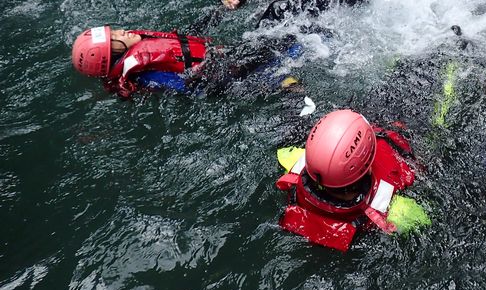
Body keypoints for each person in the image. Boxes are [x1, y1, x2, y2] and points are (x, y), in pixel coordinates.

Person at [276, 109, 430, 251]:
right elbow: (426, 221)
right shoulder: (398, 212)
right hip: (402, 131)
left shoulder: (291, 160)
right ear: (367, 160)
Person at [71, 26, 301, 98]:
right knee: (292, 37)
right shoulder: (148, 75)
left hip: (222, 60)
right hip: (224, 75)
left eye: (115, 31)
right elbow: (195, 88)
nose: (122, 31)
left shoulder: (140, 54)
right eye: (115, 38)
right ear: (111, 57)